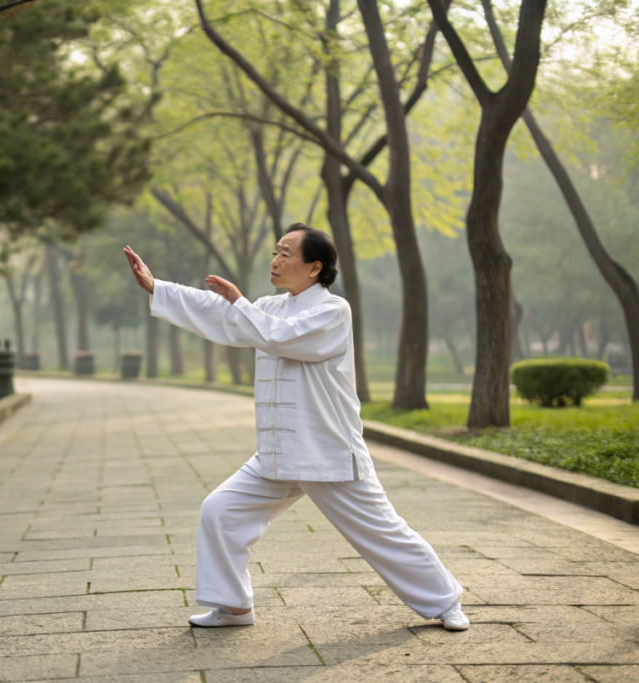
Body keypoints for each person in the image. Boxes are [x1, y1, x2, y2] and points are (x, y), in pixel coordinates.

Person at [122, 224, 469, 631]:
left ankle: (446, 601)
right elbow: (223, 316)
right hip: (279, 453)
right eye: (276, 251)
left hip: (327, 451)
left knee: (383, 532)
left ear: (314, 267)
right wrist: (158, 288)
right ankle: (233, 607)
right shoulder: (271, 308)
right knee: (220, 511)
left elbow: (279, 338)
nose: (275, 259)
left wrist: (239, 302)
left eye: (286, 253)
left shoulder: (332, 311)